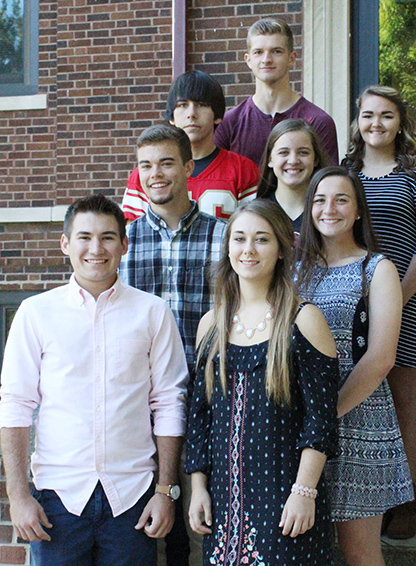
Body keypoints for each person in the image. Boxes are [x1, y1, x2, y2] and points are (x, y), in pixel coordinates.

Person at [0, 194, 188, 566]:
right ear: (66, 244)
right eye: (84, 237)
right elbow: (16, 405)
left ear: (124, 244)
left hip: (132, 497)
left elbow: (169, 402)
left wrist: (166, 491)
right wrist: (19, 497)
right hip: (58, 498)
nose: (96, 248)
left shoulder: (152, 313)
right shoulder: (36, 313)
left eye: (107, 237)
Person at [185, 199, 340, 565]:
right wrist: (198, 487)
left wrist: (305, 491)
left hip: (286, 494)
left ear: (282, 249)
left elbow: (320, 418)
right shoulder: (211, 324)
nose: (248, 250)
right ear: (227, 247)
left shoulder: (304, 320)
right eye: (239, 239)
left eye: (261, 239)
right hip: (223, 498)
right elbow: (200, 416)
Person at [343, 85, 416, 539]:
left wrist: (394, 299)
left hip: (412, 300)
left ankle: (404, 502)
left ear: (400, 123)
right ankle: (363, 496)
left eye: (387, 116)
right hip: (353, 303)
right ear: (358, 122)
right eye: (369, 115)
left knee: (402, 402)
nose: (377, 124)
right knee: (362, 401)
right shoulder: (344, 173)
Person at [120, 123, 226, 566]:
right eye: (146, 165)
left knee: (203, 524)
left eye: (166, 163)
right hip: (140, 405)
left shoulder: (224, 237)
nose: (155, 174)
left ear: (188, 166)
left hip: (206, 398)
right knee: (150, 529)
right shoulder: (121, 242)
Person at [297, 166, 414, 566]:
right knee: (301, 546)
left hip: (360, 422)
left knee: (359, 551)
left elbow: (381, 358)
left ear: (359, 209)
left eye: (341, 199)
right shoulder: (295, 268)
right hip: (301, 422)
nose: (329, 208)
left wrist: (325, 417)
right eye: (319, 199)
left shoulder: (377, 269)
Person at [122, 70, 259, 222]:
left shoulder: (242, 170)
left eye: (201, 105)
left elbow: (253, 229)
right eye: (182, 105)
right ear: (171, 117)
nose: (191, 114)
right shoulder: (146, 174)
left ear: (217, 115)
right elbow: (131, 237)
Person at [213, 18, 339, 166]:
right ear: (248, 60)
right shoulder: (229, 123)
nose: (266, 59)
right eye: (258, 52)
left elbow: (328, 185)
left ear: (291, 58)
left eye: (276, 51)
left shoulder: (318, 121)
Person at [257, 118, 329, 240]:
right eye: (284, 152)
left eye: (303, 153)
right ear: (270, 159)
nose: (293, 161)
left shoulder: (328, 210)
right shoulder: (258, 212)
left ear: (315, 159)